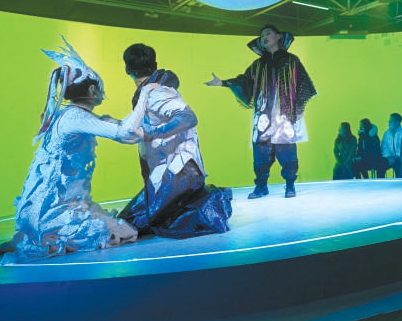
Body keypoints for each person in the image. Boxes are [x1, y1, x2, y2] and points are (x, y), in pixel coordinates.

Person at [0, 38, 153, 263]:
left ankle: (33, 233)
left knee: (112, 223)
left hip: (45, 206)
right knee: (123, 231)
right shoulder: (76, 118)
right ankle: (42, 235)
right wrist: (146, 94)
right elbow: (125, 134)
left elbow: (115, 125)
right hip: (52, 211)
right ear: (92, 89)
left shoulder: (69, 114)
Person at [118, 43, 231, 238]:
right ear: (155, 65)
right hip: (168, 170)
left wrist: (151, 134)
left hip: (178, 172)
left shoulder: (157, 93)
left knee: (143, 224)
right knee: (130, 219)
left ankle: (212, 204)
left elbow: (188, 117)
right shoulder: (149, 92)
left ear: (127, 69)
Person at [206, 25, 317, 199]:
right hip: (263, 115)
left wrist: (299, 108)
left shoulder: (291, 61)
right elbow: (244, 81)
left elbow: (303, 84)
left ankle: (290, 185)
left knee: (287, 150)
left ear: (278, 36)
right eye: (262, 35)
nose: (264, 37)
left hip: (284, 114)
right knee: (261, 151)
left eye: (268, 33)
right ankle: (261, 186)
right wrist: (223, 83)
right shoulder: (258, 65)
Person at [380, 112, 402, 178]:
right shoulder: (386, 133)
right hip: (389, 157)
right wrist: (388, 157)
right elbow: (384, 147)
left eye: (391, 121)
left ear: (397, 122)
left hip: (399, 157)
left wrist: (396, 157)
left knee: (398, 165)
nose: (389, 123)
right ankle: (381, 182)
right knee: (380, 164)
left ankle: (399, 182)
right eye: (389, 121)